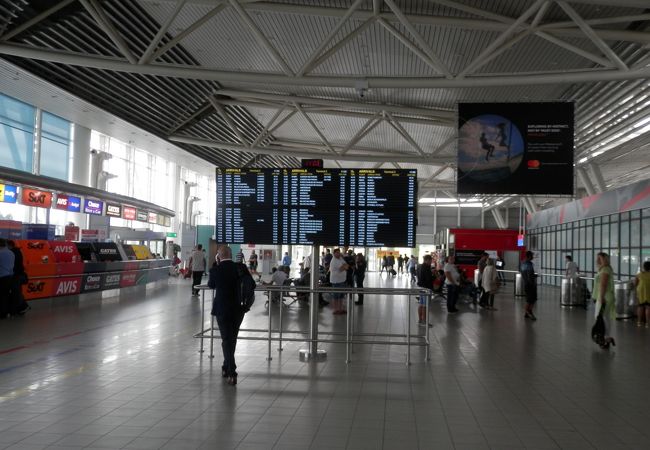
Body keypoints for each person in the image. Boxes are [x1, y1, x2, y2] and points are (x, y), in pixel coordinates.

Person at [208, 246, 246, 385]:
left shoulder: (216, 270)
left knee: (226, 339)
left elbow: (211, 285)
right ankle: (226, 366)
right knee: (232, 339)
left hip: (222, 309)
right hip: (237, 309)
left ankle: (231, 370)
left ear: (219, 256)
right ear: (231, 254)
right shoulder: (240, 268)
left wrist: (215, 265)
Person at [593, 252, 616, 348]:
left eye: (600, 258)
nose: (598, 260)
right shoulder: (603, 269)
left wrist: (601, 298)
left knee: (600, 318)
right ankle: (607, 338)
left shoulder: (605, 269)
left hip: (604, 296)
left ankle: (606, 339)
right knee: (604, 318)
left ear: (605, 259)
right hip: (604, 296)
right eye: (597, 258)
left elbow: (603, 284)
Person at [7, 240, 29, 316]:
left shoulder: (12, 252)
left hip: (15, 275)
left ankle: (23, 307)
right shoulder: (18, 251)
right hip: (19, 275)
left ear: (9, 245)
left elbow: (13, 265)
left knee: (16, 292)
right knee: (17, 292)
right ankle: (20, 308)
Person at [328, 248, 349, 315]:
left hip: (342, 280)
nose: (338, 254)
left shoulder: (340, 259)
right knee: (336, 296)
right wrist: (344, 266)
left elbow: (347, 266)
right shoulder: (334, 261)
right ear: (334, 253)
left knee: (341, 296)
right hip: (336, 281)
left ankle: (340, 309)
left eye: (339, 252)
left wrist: (344, 266)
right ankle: (336, 310)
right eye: (337, 253)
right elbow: (342, 268)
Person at [0, 238, 16, 319]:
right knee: (6, 295)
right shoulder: (11, 253)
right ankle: (7, 312)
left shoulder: (0, 253)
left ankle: (2, 313)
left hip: (2, 277)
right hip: (10, 277)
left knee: (2, 296)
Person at [417, 255, 434, 326]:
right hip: (426, 288)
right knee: (425, 305)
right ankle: (424, 321)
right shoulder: (426, 267)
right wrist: (435, 276)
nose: (431, 262)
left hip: (421, 287)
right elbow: (428, 279)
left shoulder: (420, 266)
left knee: (421, 304)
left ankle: (420, 320)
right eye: (430, 260)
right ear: (427, 260)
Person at [520, 251, 537, 320]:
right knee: (531, 300)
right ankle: (529, 312)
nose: (533, 257)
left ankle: (527, 313)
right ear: (529, 256)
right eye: (532, 256)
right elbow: (529, 275)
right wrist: (533, 277)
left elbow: (523, 273)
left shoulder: (522, 263)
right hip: (530, 284)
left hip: (526, 283)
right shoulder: (529, 264)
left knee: (529, 299)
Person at [635, 261, 650, 328]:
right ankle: (647, 323)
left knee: (640, 307)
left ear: (644, 267)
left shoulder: (639, 274)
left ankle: (639, 322)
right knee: (648, 307)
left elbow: (635, 283)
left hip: (640, 292)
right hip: (649, 292)